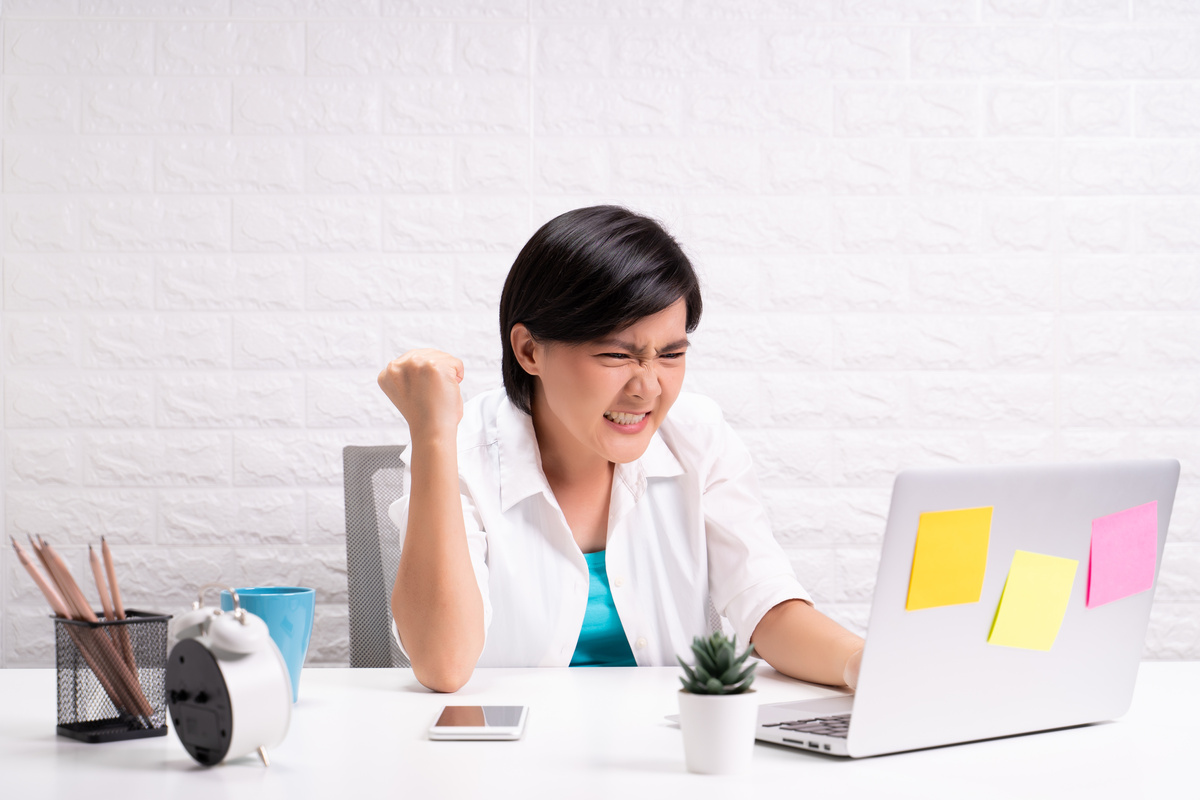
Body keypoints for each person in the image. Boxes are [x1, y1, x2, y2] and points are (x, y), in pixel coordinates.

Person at [378, 205, 864, 693]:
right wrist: (432, 435)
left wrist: (861, 664)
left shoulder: (698, 437)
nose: (648, 388)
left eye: (671, 355)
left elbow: (768, 608)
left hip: (667, 748)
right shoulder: (459, 451)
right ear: (529, 351)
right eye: (616, 355)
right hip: (511, 751)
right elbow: (443, 664)